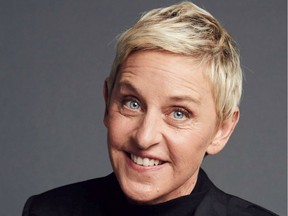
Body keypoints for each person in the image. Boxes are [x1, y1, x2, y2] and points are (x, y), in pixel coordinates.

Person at [22, 2, 277, 216]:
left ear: (222, 130)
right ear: (107, 102)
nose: (144, 137)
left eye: (179, 113)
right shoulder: (47, 210)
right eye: (132, 103)